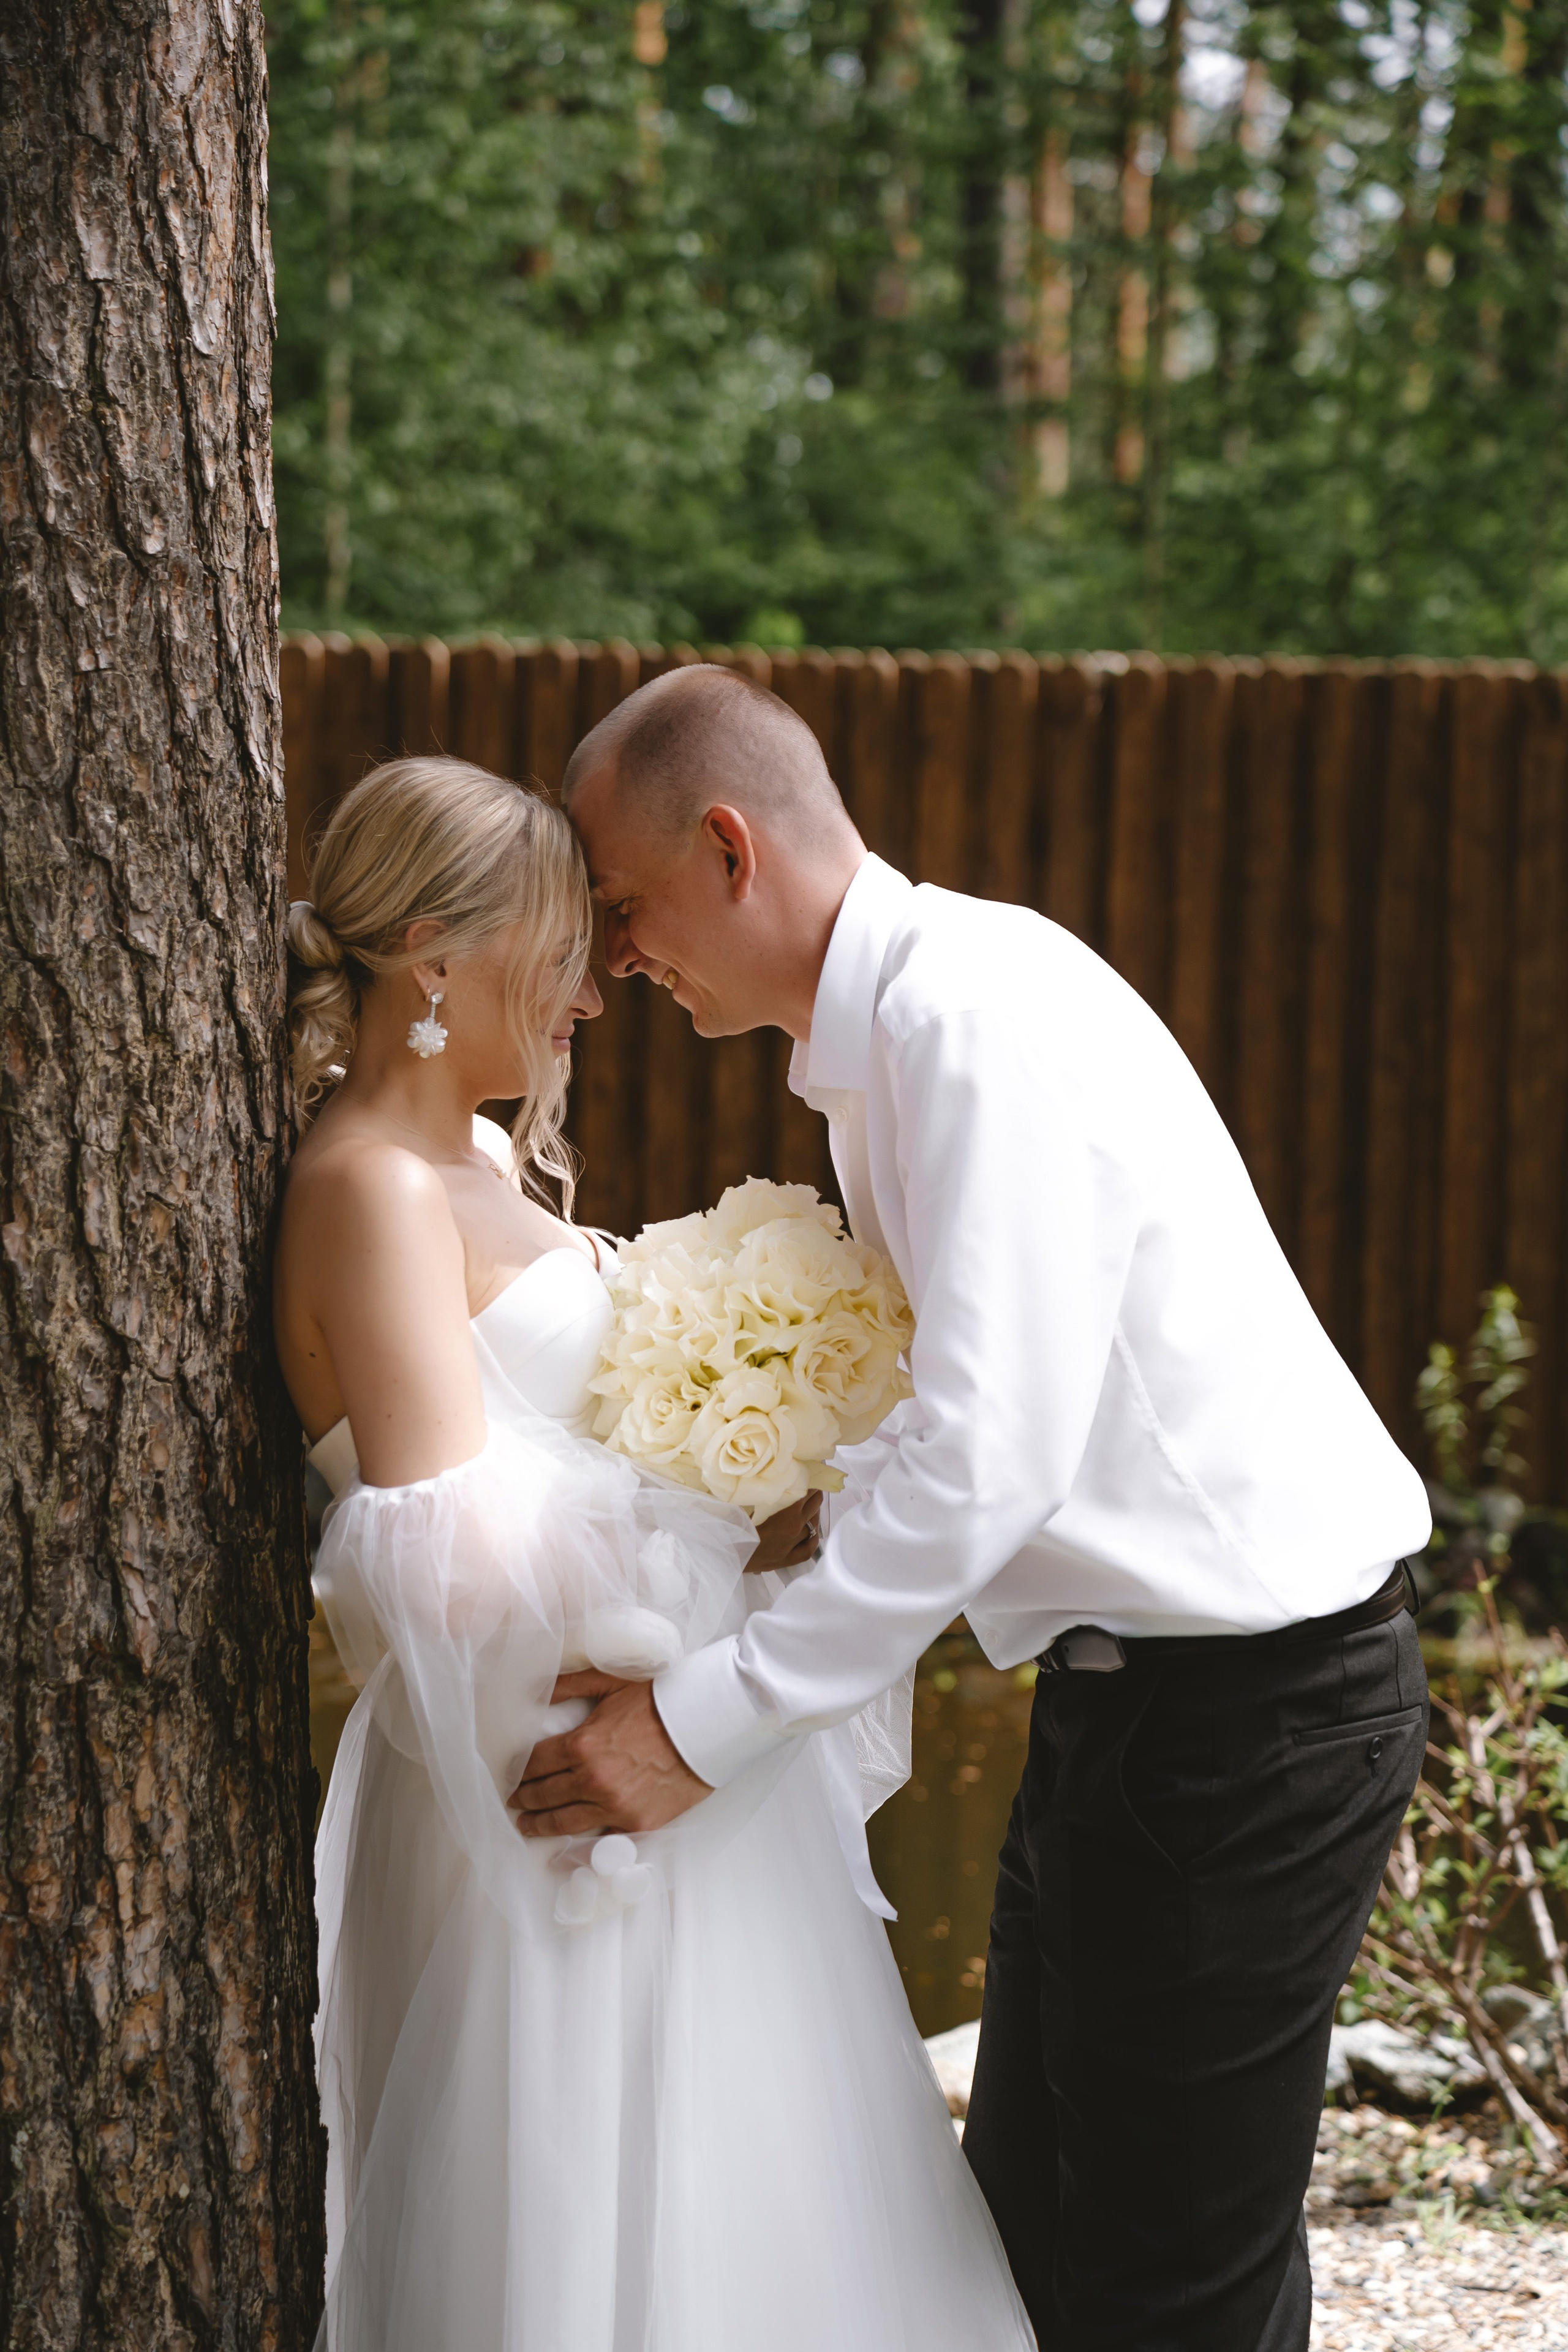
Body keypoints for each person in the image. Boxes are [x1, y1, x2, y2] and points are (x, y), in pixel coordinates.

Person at [531, 665, 1434, 2352]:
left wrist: (701, 1724)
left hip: (1249, 1716)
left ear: (731, 846)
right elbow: (973, 1430)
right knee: (1033, 2247)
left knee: (1171, 2289)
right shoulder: (901, 1029)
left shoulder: (966, 1019)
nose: (616, 961)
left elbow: (989, 1456)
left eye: (629, 909)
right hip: (1140, 1712)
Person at [274, 754, 1034, 2352]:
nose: (589, 998)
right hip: (556, 1815)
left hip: (672, 1765)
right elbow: (445, 1562)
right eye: (561, 946)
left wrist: (760, 1453)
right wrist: (694, 1493)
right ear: (434, 951)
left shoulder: (475, 1167)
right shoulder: (369, 1192)